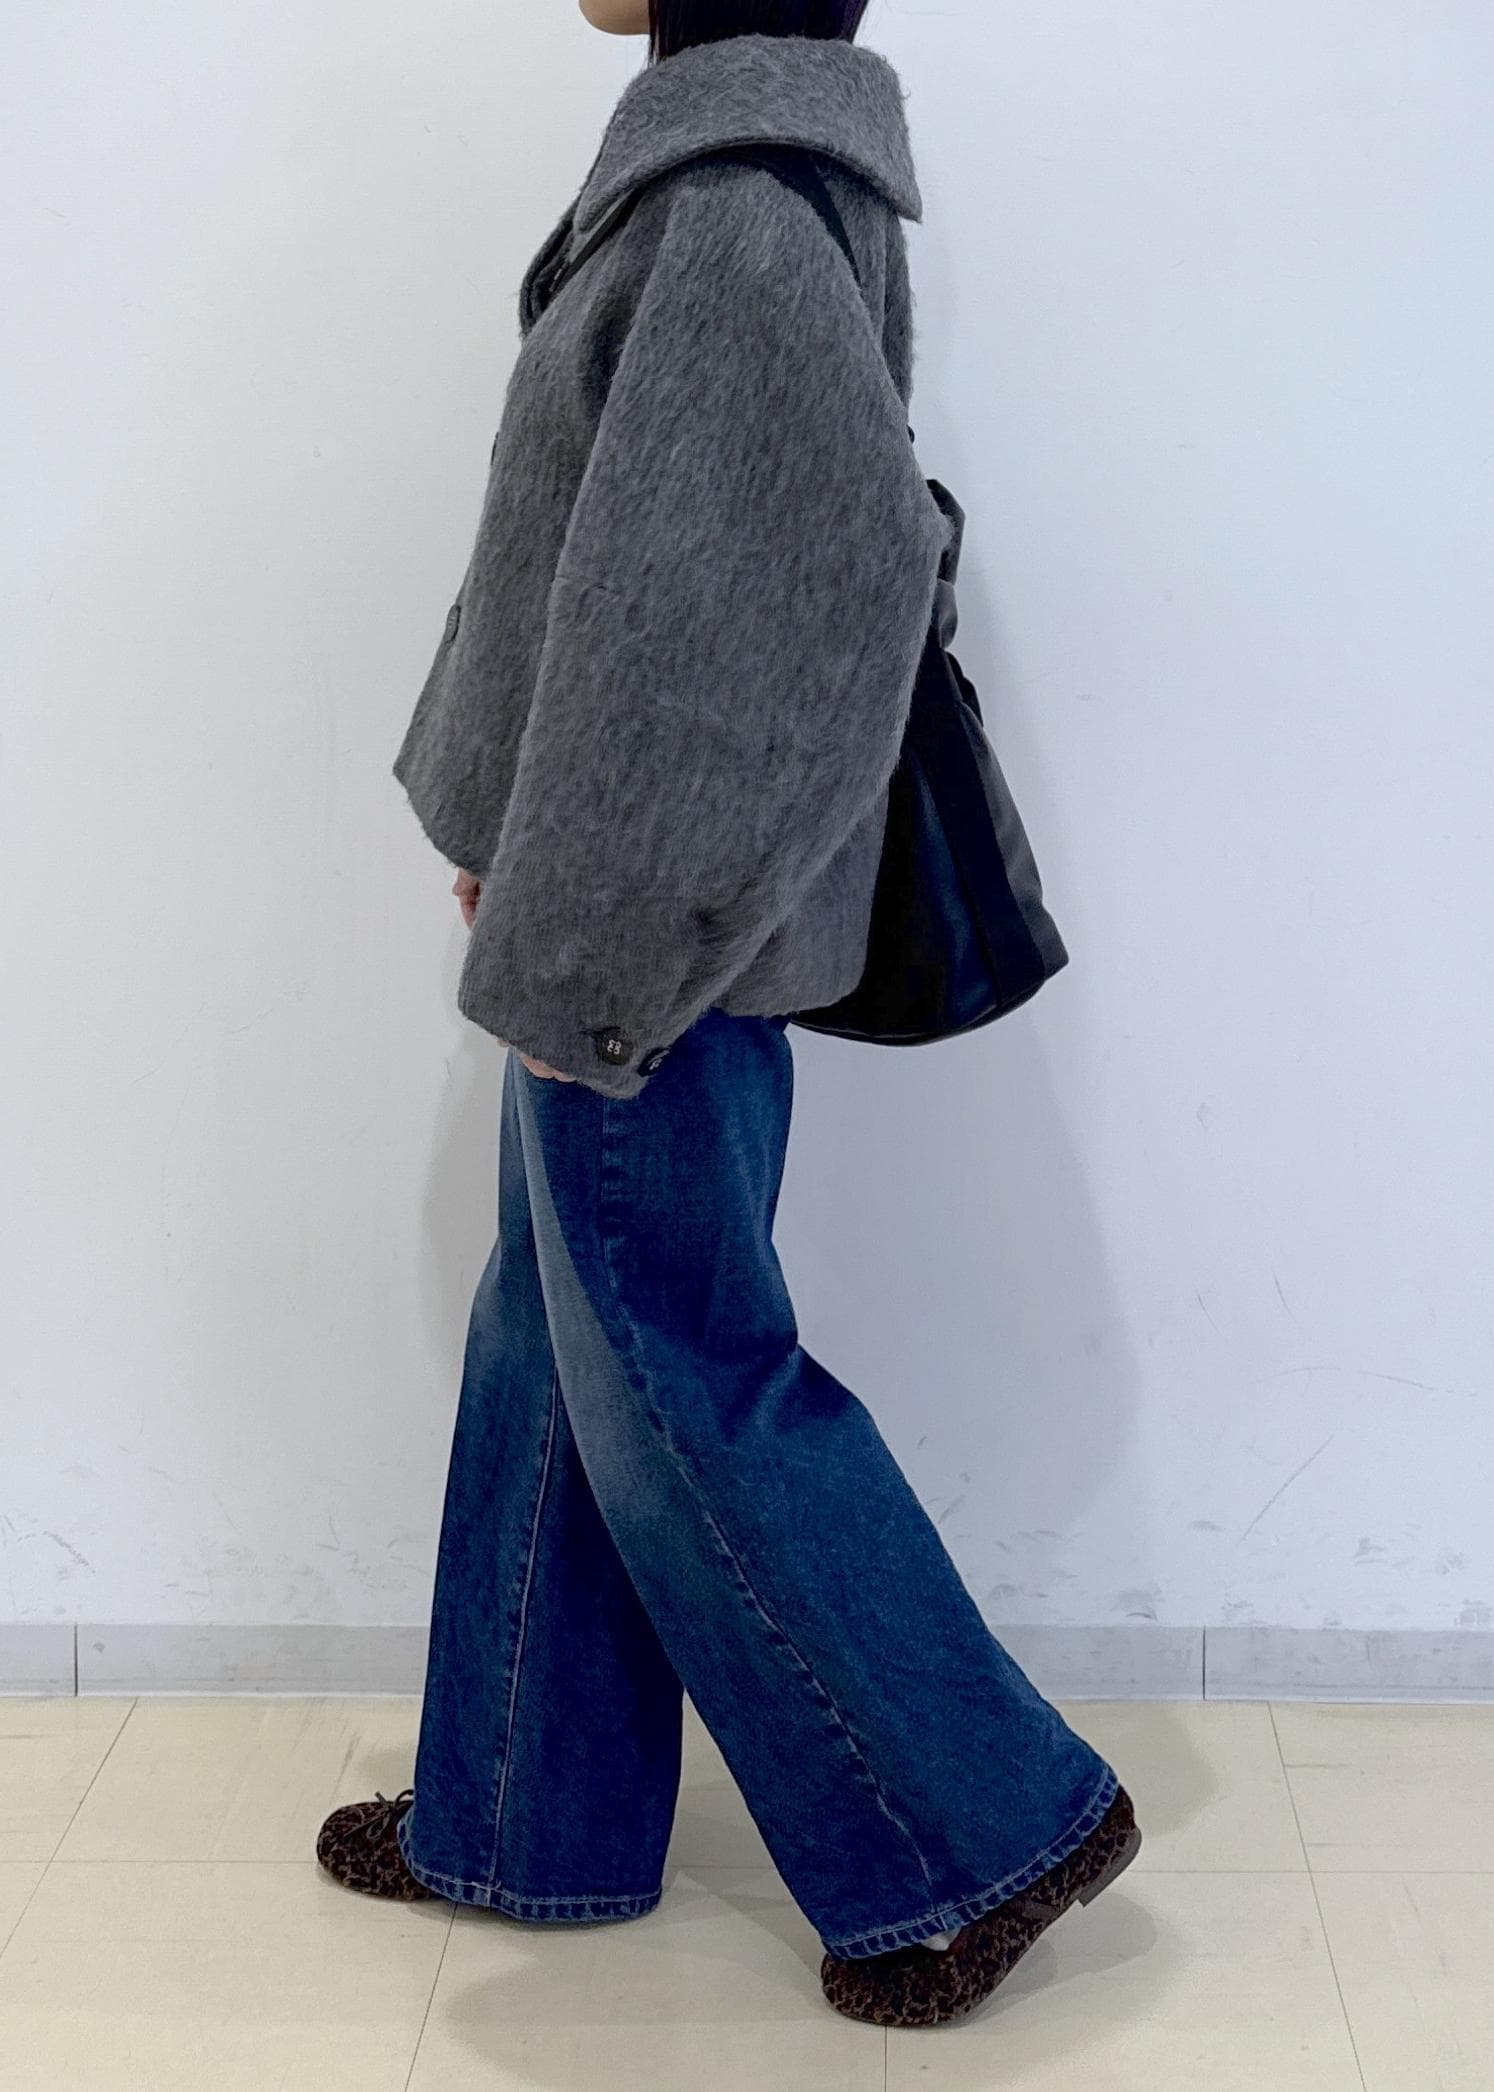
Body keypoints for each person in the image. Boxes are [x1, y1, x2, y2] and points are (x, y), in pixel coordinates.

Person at [316, 0, 1138, 2030]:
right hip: (622, 908)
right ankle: (527, 1814)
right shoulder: (741, 181)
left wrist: (589, 937)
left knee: (684, 1365)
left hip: (649, 945)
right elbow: (614, 572)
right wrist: (528, 842)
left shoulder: (737, 207)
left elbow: (712, 638)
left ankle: (982, 1827)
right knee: (558, 1339)